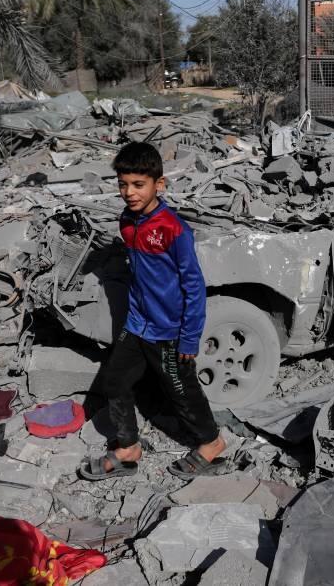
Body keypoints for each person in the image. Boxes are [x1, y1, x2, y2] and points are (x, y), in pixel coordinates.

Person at [78, 141, 225, 482]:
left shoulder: (174, 230)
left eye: (138, 184)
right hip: (137, 324)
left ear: (159, 184)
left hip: (170, 331)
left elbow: (194, 287)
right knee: (114, 381)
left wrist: (189, 338)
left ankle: (212, 442)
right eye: (123, 184)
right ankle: (128, 448)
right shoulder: (127, 222)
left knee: (182, 392)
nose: (129, 192)